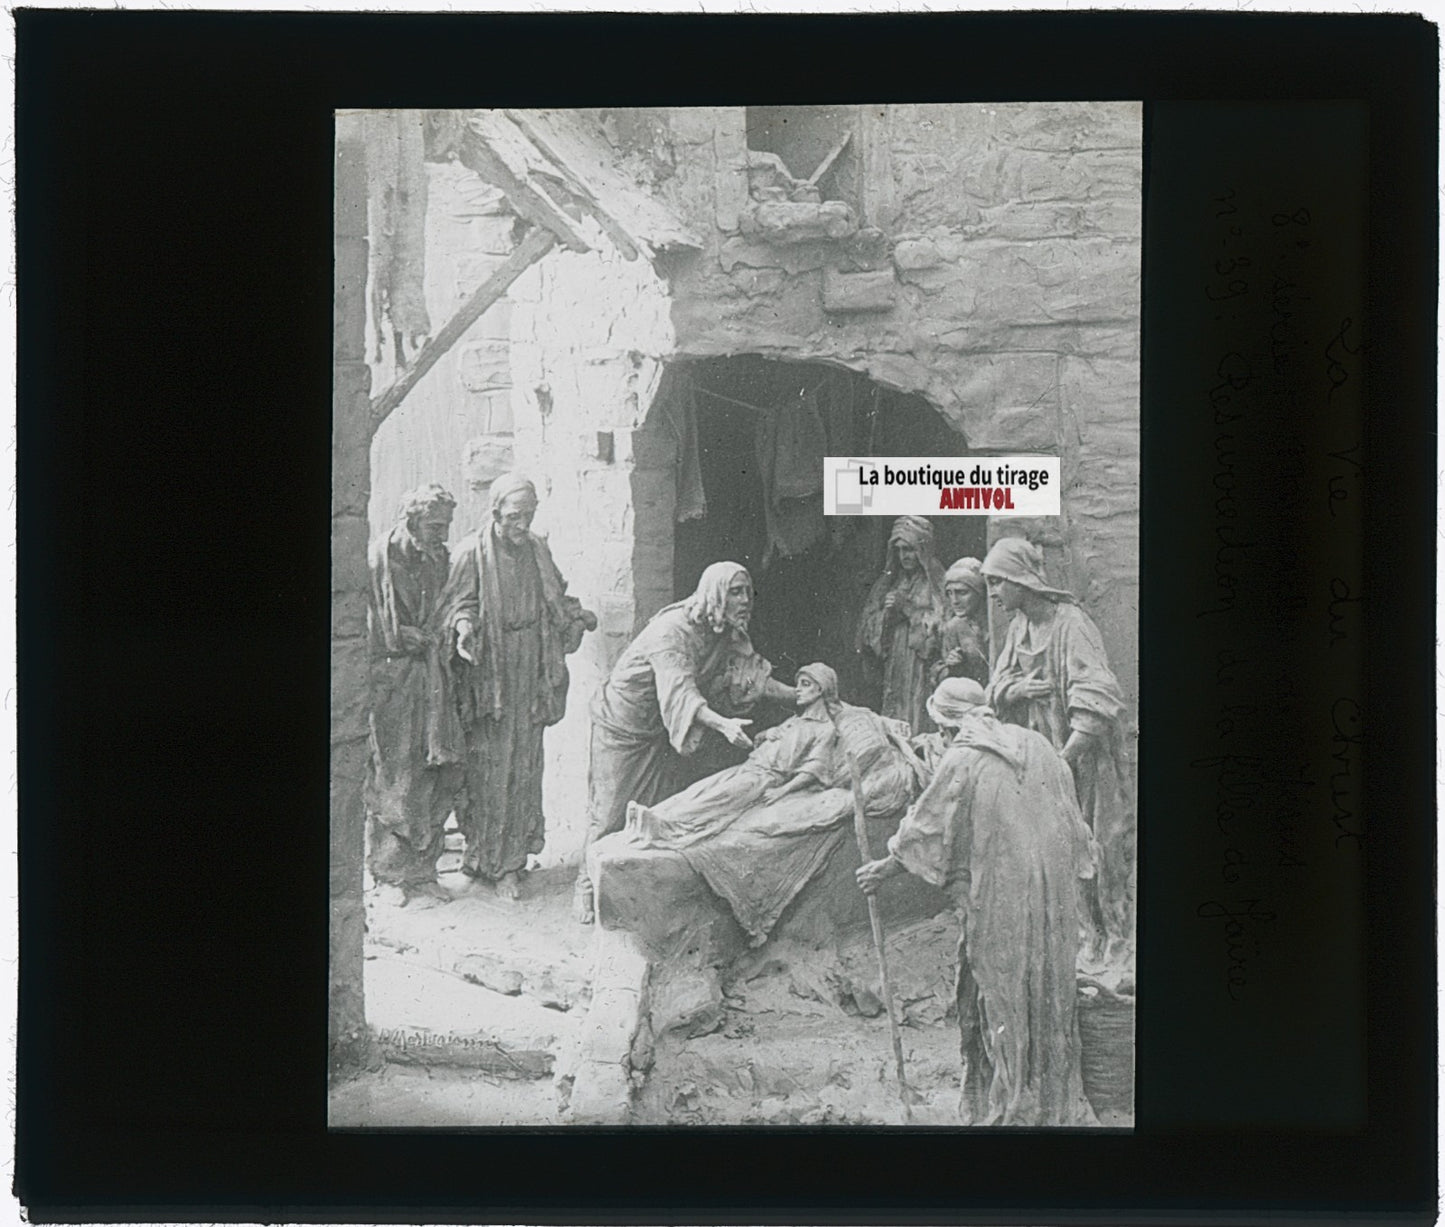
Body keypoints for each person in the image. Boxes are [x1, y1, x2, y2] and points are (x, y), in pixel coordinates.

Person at [857, 678, 1098, 1127]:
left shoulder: (963, 757)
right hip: (1053, 894)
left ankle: (1009, 1107)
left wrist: (884, 868)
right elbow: (1073, 821)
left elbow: (926, 828)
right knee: (1046, 989)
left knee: (1000, 995)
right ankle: (1047, 1101)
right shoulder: (1039, 745)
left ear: (945, 724)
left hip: (1000, 895)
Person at [573, 561, 796, 923]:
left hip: (660, 728)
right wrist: (723, 724)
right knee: (610, 811)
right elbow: (681, 693)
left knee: (659, 809)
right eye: (735, 592)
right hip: (624, 725)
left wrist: (798, 695)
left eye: (746, 591)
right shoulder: (672, 632)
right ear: (715, 594)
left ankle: (632, 891)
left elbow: (750, 676)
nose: (744, 600)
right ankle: (586, 887)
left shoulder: (724, 629)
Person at [438, 474, 596, 899]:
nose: (522, 524)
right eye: (514, 516)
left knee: (524, 764)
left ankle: (511, 862)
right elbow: (456, 605)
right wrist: (464, 627)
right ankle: (482, 857)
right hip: (491, 669)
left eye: (528, 515)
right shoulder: (471, 553)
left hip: (530, 666)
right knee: (488, 766)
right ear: (495, 513)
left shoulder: (537, 548)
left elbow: (555, 595)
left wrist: (574, 616)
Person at [980, 536, 1133, 965]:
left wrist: (1063, 760)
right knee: (1059, 846)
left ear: (1020, 580)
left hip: (1083, 758)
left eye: (997, 582)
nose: (992, 593)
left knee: (1098, 843)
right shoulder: (1018, 628)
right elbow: (996, 688)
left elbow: (1098, 698)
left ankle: (1116, 938)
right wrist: (1016, 690)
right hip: (1042, 753)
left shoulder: (1072, 625)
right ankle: (1084, 935)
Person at [365, 483, 465, 906]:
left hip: (433, 678)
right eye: (434, 526)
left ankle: (424, 871)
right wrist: (399, 637)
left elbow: (451, 606)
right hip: (393, 680)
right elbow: (364, 620)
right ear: (411, 521)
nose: (442, 534)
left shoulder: (440, 558)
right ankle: (390, 875)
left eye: (446, 526)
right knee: (395, 777)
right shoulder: (379, 559)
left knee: (434, 772)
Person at [626, 662, 843, 850]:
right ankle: (651, 818)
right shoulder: (795, 720)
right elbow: (760, 741)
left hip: (766, 778)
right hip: (749, 767)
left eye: (805, 684)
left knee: (718, 797)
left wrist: (782, 791)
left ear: (820, 689)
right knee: (701, 789)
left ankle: (666, 829)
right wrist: (768, 733)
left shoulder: (825, 729)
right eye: (799, 684)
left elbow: (814, 769)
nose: (798, 690)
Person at [856, 516, 946, 734]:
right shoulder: (890, 581)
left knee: (920, 714)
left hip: (922, 666)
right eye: (899, 550)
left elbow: (943, 627)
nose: (904, 556)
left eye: (910, 549)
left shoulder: (936, 580)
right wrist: (887, 617)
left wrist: (907, 608)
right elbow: (867, 628)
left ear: (923, 549)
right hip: (896, 662)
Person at [932, 556, 990, 688]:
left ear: (979, 592)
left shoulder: (998, 623)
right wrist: (952, 667)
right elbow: (940, 675)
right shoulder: (954, 627)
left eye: (962, 592)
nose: (954, 601)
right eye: (949, 593)